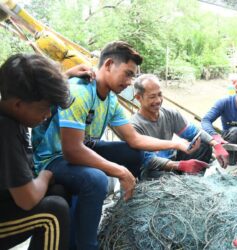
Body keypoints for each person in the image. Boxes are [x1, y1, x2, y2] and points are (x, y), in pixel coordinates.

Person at [32, 41, 194, 250]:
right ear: (108, 64)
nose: (130, 81)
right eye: (128, 74)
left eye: (133, 76)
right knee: (97, 179)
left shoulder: (110, 100)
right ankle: (87, 245)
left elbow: (134, 139)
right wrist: (120, 172)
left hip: (84, 147)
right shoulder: (79, 92)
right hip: (53, 157)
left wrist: (176, 144)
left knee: (133, 154)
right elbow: (71, 151)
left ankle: (125, 208)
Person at [0, 54, 87, 249]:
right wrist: (46, 176)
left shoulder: (13, 111)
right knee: (53, 212)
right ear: (18, 104)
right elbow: (27, 200)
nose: (47, 115)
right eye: (44, 108)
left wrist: (65, 75)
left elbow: (33, 91)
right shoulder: (5, 129)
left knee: (59, 191)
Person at [131, 74, 229, 178]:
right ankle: (183, 179)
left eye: (160, 94)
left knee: (204, 144)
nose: (158, 100)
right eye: (152, 96)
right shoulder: (134, 126)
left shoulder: (170, 114)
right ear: (138, 98)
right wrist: (181, 166)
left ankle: (192, 180)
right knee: (165, 178)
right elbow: (147, 160)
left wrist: (216, 145)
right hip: (153, 170)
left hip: (173, 160)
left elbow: (194, 132)